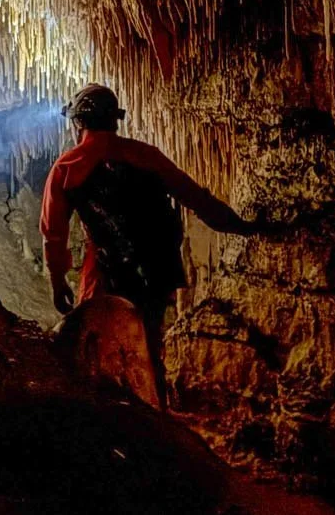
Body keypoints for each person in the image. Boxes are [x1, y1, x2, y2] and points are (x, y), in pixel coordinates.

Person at [40, 84, 251, 392]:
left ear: (78, 123)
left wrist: (57, 281)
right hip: (157, 274)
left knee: (99, 355)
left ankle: (114, 421)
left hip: (106, 275)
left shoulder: (68, 168)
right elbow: (194, 197)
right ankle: (155, 406)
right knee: (148, 351)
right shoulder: (145, 155)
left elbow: (53, 233)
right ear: (114, 121)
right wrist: (240, 226)